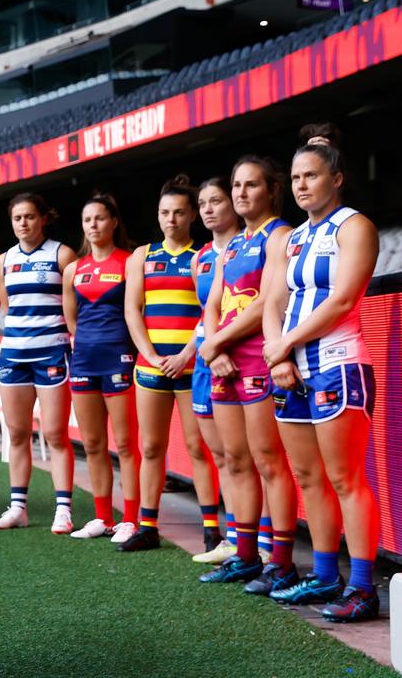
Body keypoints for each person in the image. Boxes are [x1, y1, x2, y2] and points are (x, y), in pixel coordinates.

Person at [265, 141, 381, 621]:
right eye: (296, 179)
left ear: (336, 178)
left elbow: (341, 301)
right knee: (309, 478)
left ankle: (362, 589)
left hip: (338, 362)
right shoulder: (293, 239)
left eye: (311, 176)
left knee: (345, 478)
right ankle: (326, 576)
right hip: (291, 369)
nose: (302, 186)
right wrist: (279, 357)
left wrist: (284, 344)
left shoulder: (356, 227)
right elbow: (272, 301)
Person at [199, 156, 298, 593]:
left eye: (250, 185)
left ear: (271, 189)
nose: (241, 193)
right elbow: (213, 302)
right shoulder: (235, 243)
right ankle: (245, 556)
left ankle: (281, 563)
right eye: (236, 185)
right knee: (235, 461)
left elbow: (266, 303)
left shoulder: (280, 234)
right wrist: (212, 345)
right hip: (224, 364)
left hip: (258, 359)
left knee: (268, 462)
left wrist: (215, 341)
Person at [120, 176, 220, 553]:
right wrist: (150, 354)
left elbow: (209, 311)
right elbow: (133, 310)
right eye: (165, 212)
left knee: (198, 448)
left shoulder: (204, 256)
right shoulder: (143, 255)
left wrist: (185, 355)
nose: (171, 219)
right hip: (151, 367)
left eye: (179, 212)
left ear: (192, 214)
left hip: (191, 366)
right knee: (150, 447)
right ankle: (147, 527)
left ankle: (212, 529)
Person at [0, 194, 76, 533]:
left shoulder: (62, 254)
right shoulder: (5, 260)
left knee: (55, 434)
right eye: (17, 218)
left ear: (44, 219)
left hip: (52, 352)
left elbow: (73, 306)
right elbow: (7, 307)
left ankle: (63, 509)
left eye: (29, 217)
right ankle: (18, 508)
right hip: (14, 354)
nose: (23, 223)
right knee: (18, 433)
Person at [61, 192, 140, 541]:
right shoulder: (73, 269)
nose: (93, 225)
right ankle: (102, 517)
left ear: (114, 222)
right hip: (84, 360)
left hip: (119, 358)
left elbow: (136, 309)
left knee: (125, 444)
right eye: (87, 220)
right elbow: (72, 320)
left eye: (100, 218)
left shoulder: (130, 261)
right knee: (93, 444)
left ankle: (132, 519)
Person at [189, 177, 245, 564]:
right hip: (206, 359)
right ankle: (234, 536)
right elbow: (205, 311)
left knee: (248, 456)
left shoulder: (253, 246)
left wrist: (223, 346)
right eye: (203, 203)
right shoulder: (201, 258)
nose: (209, 209)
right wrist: (209, 350)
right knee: (221, 455)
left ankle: (261, 540)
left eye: (216, 200)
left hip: (242, 358)